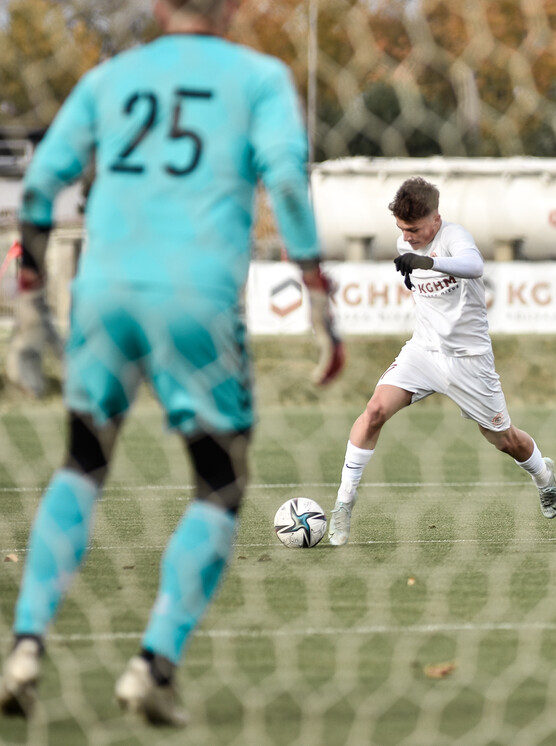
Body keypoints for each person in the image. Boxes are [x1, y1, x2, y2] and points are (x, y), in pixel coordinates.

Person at [0, 0, 344, 726]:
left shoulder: (111, 76)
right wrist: (316, 292)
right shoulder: (260, 76)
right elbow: (284, 180)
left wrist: (30, 280)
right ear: (231, 6)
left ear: (160, 5)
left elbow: (39, 186)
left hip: (103, 290)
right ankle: (154, 664)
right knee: (220, 480)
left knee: (82, 463)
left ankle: (26, 644)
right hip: (195, 295)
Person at [327, 177, 556, 546]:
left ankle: (543, 477)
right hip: (423, 352)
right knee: (374, 411)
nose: (409, 237)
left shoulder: (454, 237)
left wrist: (427, 260)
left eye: (416, 230)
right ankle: (343, 505)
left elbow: (474, 265)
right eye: (403, 230)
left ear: (436, 219)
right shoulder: (404, 240)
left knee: (504, 439)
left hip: (469, 361)